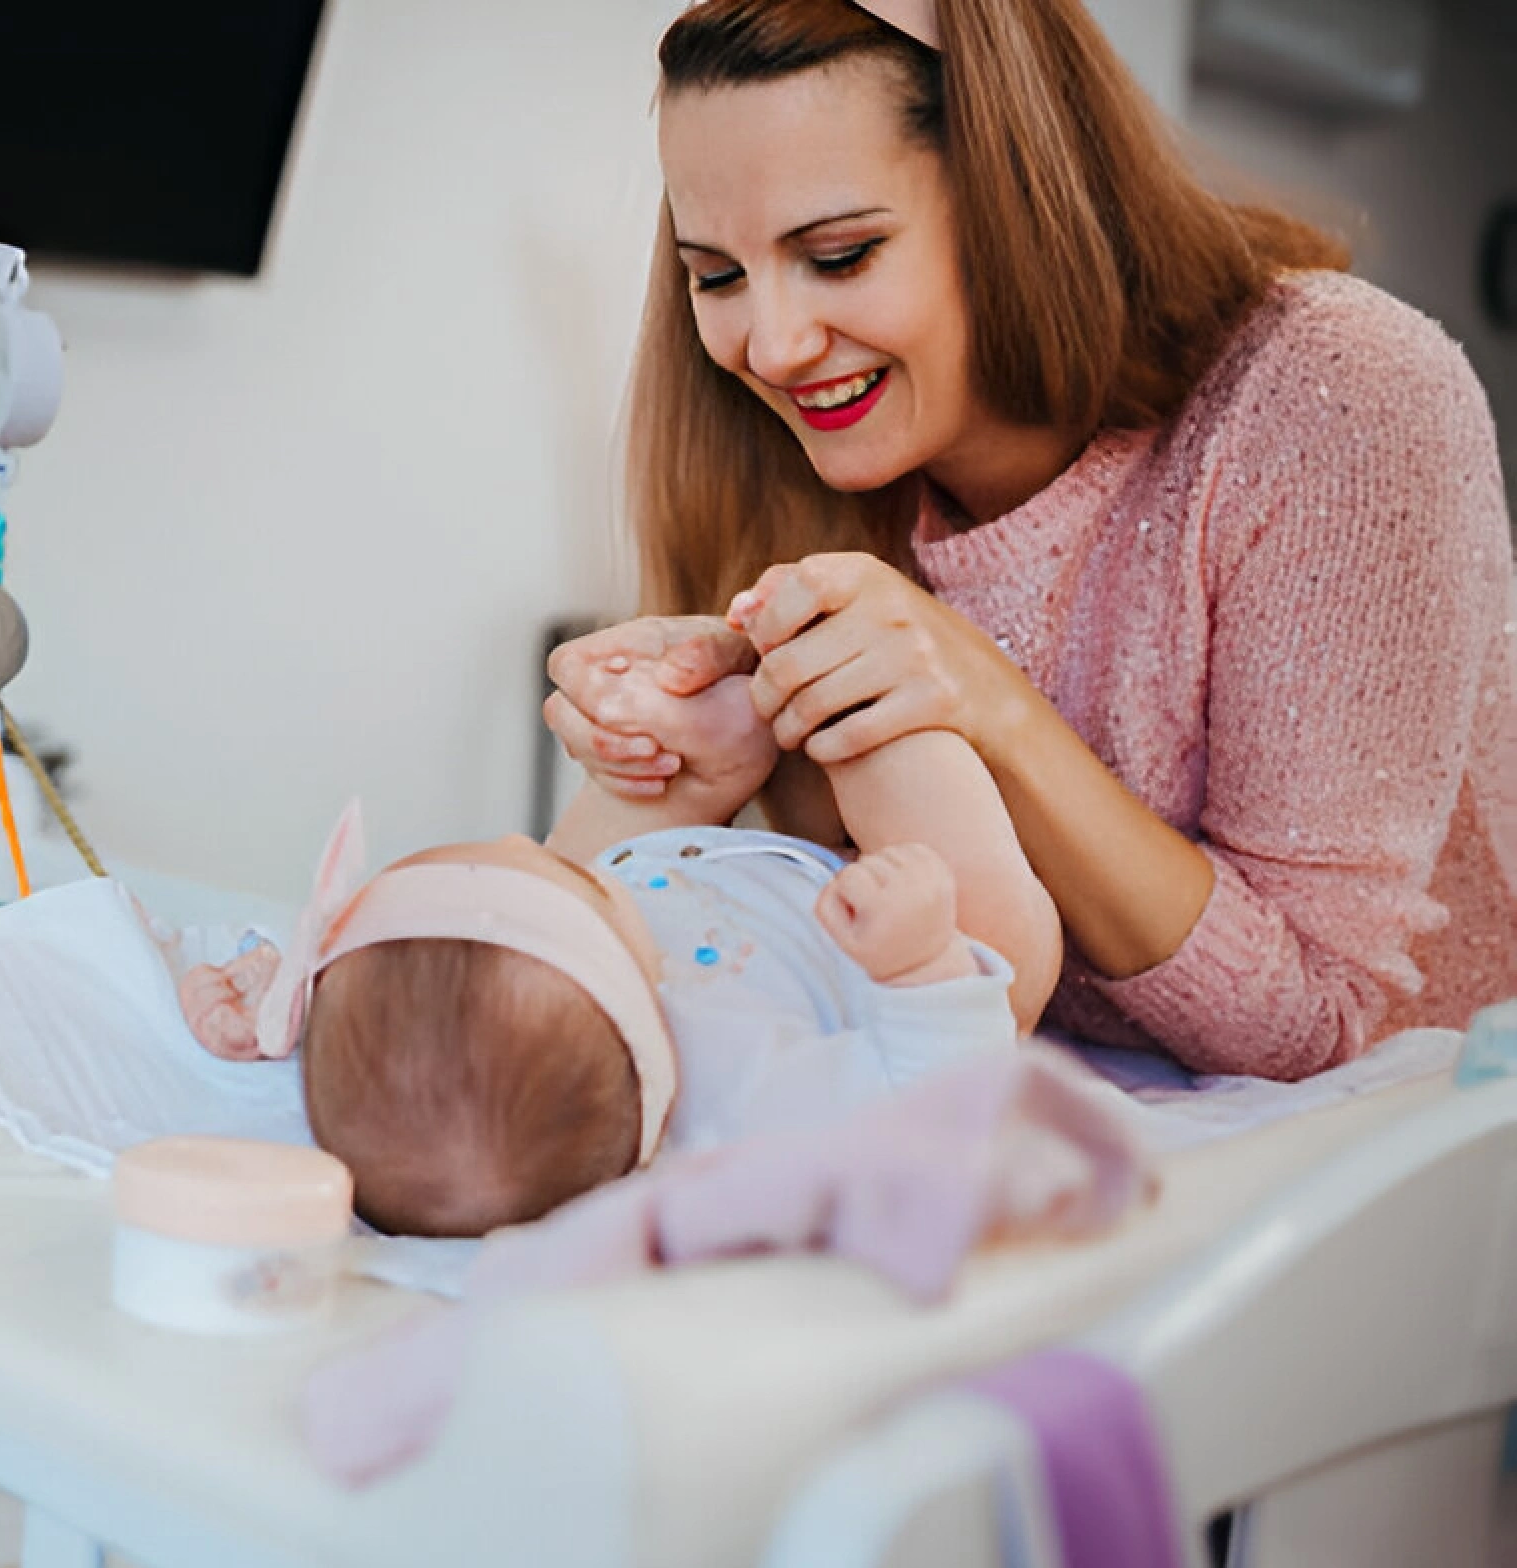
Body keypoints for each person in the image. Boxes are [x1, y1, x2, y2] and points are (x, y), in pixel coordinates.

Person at [544, 0, 1517, 1082]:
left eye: (841, 254)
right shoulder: (795, 475)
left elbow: (1317, 1024)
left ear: (1015, 195)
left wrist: (987, 703)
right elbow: (851, 987)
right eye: (716, 276)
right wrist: (690, 774)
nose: (769, 345)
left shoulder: (1337, 396)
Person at [178, 654, 1061, 1238]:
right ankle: (872, 716)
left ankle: (713, 754)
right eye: (555, 877)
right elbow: (948, 1120)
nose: (528, 844)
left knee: (634, 807)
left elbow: (369, 1028)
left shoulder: (440, 1066)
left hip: (679, 875)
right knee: (889, 749)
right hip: (896, 929)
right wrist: (919, 964)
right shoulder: (745, 1106)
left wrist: (258, 992)